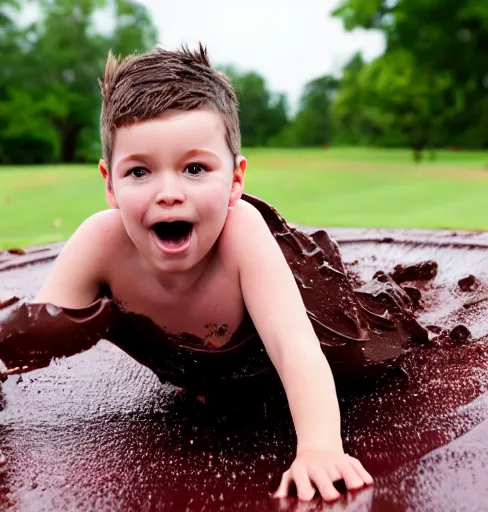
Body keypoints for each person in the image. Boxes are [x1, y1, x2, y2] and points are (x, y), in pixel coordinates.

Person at [33, 44, 373, 502]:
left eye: (195, 168)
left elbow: (294, 348)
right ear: (109, 182)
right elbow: (38, 334)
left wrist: (319, 447)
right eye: (139, 172)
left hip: (330, 337)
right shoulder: (100, 245)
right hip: (212, 385)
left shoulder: (241, 235)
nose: (168, 192)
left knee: (371, 345)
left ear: (235, 178)